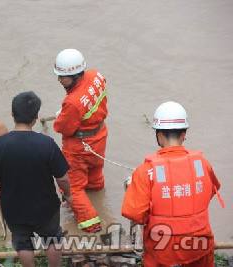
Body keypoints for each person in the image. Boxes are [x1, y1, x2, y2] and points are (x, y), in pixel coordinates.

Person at [122, 101, 223, 267]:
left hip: (163, 249)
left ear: (159, 135)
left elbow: (135, 213)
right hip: (200, 244)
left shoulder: (145, 171)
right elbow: (211, 191)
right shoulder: (202, 164)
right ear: (184, 134)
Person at [0, 91, 71, 267]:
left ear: (13, 114)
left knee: (22, 242)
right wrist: (68, 195)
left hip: (14, 208)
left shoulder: (0, 145)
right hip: (45, 206)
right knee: (52, 238)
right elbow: (63, 178)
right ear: (36, 117)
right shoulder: (47, 144)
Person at [53, 48, 107, 233]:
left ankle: (91, 225)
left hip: (79, 145)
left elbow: (63, 128)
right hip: (99, 136)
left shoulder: (72, 102)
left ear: (76, 76)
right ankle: (95, 189)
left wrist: (62, 115)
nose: (59, 80)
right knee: (95, 170)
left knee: (73, 186)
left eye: (63, 77)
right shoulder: (96, 76)